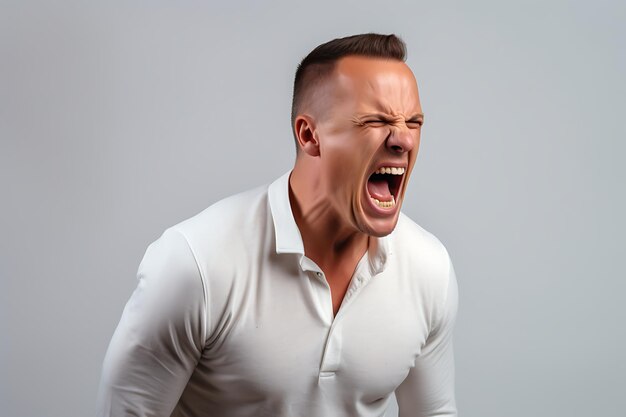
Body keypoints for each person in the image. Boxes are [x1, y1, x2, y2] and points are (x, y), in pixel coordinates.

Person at [96, 33, 459, 417]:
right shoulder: (196, 263)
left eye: (414, 122)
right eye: (376, 120)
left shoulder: (428, 268)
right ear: (309, 135)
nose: (402, 138)